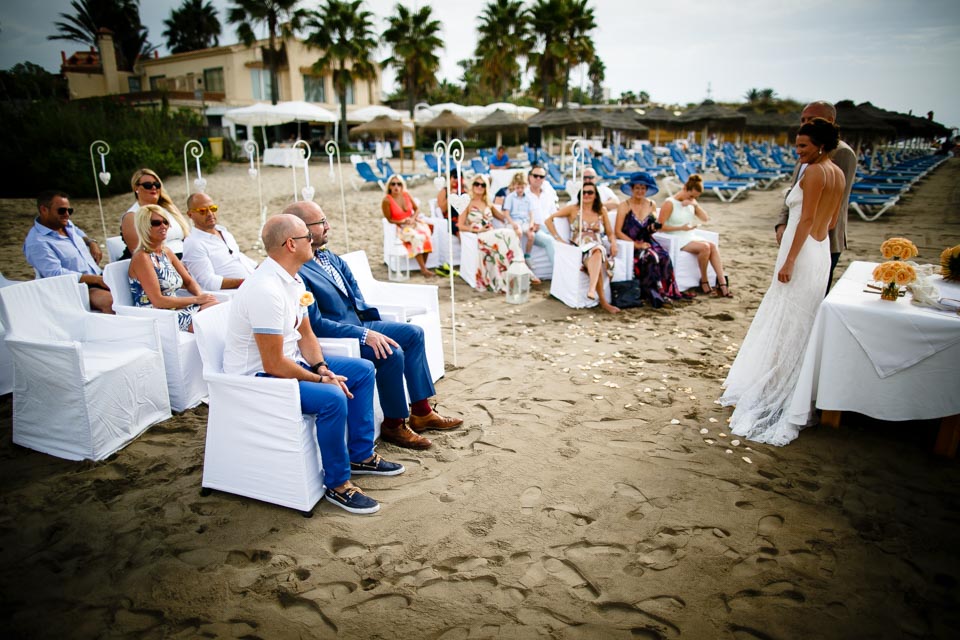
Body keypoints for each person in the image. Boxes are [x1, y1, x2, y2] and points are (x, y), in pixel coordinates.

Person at [223, 214, 403, 515]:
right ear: (291, 244)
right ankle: (338, 484)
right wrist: (322, 382)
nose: (314, 239)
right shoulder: (265, 289)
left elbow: (305, 334)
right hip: (256, 376)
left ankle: (360, 455)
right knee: (332, 398)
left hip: (287, 362)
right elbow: (273, 362)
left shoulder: (293, 279)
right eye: (308, 235)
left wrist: (321, 367)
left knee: (360, 371)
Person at [284, 201, 463, 451]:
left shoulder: (330, 257)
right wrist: (364, 334)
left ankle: (421, 412)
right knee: (390, 351)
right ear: (302, 229)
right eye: (321, 223)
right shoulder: (299, 270)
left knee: (413, 333)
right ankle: (394, 424)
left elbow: (356, 296)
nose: (328, 226)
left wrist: (372, 326)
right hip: (340, 337)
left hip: (360, 322)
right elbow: (316, 324)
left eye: (326, 220)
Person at [719, 118, 846, 446]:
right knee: (800, 323)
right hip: (819, 252)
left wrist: (789, 259)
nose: (798, 151)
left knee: (785, 320)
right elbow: (831, 220)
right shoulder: (839, 173)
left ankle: (776, 390)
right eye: (797, 145)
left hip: (801, 252)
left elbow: (804, 219)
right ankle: (790, 387)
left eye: (803, 145)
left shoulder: (815, 172)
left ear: (819, 144)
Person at [774, 101, 858, 293]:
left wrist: (794, 255)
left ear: (829, 121)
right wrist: (783, 222)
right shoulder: (809, 150)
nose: (805, 123)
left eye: (811, 119)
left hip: (814, 239)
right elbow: (793, 190)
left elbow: (831, 207)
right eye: (803, 119)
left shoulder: (839, 154)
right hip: (809, 239)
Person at [128, 204, 218, 332]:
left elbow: (189, 281)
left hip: (176, 309)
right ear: (144, 227)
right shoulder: (142, 258)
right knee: (212, 323)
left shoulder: (166, 252)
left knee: (219, 310)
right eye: (156, 223)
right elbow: (158, 301)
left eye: (165, 222)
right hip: (157, 316)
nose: (163, 226)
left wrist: (202, 298)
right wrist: (197, 299)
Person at [23, 190, 114, 313]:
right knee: (111, 302)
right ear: (44, 210)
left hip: (98, 277)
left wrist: (91, 242)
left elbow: (78, 232)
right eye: (61, 211)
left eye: (69, 211)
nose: (67, 215)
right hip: (75, 289)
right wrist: (95, 279)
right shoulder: (37, 242)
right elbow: (55, 274)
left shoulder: (65, 224)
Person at [614, 173, 689, 308]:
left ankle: (665, 292)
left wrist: (654, 227)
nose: (640, 191)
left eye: (643, 188)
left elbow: (651, 229)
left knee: (664, 256)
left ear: (647, 190)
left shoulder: (651, 204)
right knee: (650, 257)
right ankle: (653, 294)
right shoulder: (624, 205)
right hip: (630, 243)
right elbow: (618, 232)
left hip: (648, 240)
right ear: (631, 189)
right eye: (637, 188)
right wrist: (636, 245)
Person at [545, 184, 620, 314]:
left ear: (595, 195)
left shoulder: (601, 210)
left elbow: (609, 232)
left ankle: (594, 292)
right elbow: (548, 220)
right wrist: (558, 238)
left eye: (590, 192)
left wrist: (613, 242)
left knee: (597, 251)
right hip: (579, 248)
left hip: (597, 246)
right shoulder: (573, 209)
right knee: (597, 252)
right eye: (583, 192)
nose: (586, 195)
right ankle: (603, 301)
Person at [462, 174, 540, 291]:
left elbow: (503, 217)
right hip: (480, 235)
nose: (479, 187)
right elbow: (460, 225)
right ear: (472, 186)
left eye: (483, 185)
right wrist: (477, 229)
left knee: (510, 234)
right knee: (506, 234)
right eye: (476, 184)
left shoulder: (488, 203)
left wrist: (520, 222)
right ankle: (524, 272)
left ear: (486, 187)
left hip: (492, 234)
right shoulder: (467, 202)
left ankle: (513, 277)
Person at [657, 174, 731, 297]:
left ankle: (722, 281)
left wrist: (694, 204)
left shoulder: (692, 202)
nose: (692, 198)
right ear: (685, 188)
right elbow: (659, 227)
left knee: (712, 246)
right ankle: (704, 280)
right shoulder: (670, 203)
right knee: (705, 247)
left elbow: (705, 218)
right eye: (691, 195)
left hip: (688, 235)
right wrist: (681, 228)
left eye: (695, 197)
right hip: (675, 236)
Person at [181, 192, 258, 290]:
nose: (210, 214)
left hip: (251, 284)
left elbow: (239, 259)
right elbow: (208, 281)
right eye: (202, 211)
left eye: (213, 209)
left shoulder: (224, 232)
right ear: (190, 214)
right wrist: (245, 282)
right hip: (233, 293)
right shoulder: (193, 243)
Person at [121, 169, 191, 260]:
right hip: (160, 261)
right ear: (136, 188)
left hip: (185, 255)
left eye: (157, 184)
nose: (153, 187)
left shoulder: (169, 207)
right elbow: (141, 254)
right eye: (148, 185)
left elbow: (188, 236)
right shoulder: (132, 216)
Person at [381, 175, 435, 278]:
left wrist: (413, 218)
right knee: (416, 237)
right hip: (400, 226)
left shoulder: (406, 195)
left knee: (427, 235)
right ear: (389, 186)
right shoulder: (386, 201)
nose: (396, 186)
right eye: (393, 184)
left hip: (413, 222)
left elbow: (417, 209)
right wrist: (402, 221)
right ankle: (423, 269)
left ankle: (424, 266)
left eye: (399, 184)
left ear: (402, 185)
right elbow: (389, 219)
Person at [501, 171, 538, 258]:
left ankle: (527, 255)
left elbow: (531, 213)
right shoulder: (510, 197)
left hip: (525, 221)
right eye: (518, 187)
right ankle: (517, 254)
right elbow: (506, 213)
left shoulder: (528, 198)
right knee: (519, 232)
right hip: (514, 221)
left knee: (531, 235)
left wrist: (531, 224)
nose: (520, 190)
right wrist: (513, 223)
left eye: (522, 187)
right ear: (514, 186)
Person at [526, 164, 557, 265]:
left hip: (549, 227)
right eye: (535, 176)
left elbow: (554, 213)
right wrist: (530, 224)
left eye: (541, 177)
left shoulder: (548, 194)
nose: (538, 179)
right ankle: (559, 273)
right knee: (549, 241)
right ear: (530, 177)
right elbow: (519, 214)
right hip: (535, 229)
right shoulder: (524, 195)